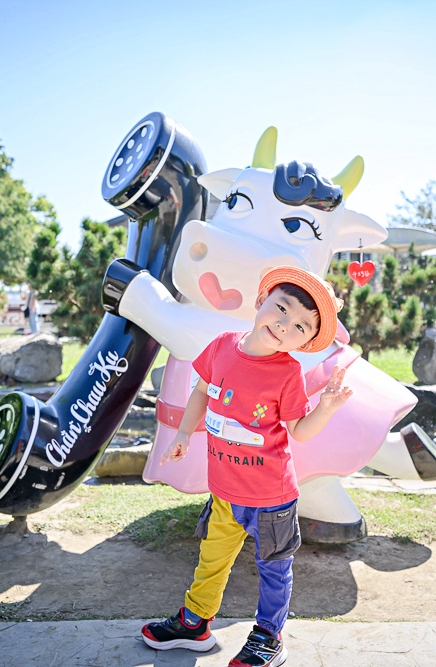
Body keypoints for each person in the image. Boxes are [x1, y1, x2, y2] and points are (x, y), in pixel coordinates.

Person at [141, 266, 353, 667]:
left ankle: (268, 637)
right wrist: (184, 433)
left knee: (273, 569)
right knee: (211, 560)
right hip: (224, 491)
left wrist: (324, 408)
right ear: (261, 302)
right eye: (282, 308)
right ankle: (194, 624)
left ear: (306, 342)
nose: (285, 325)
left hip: (271, 499)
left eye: (300, 326)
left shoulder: (288, 373)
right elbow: (202, 390)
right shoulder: (221, 346)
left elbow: (299, 431)